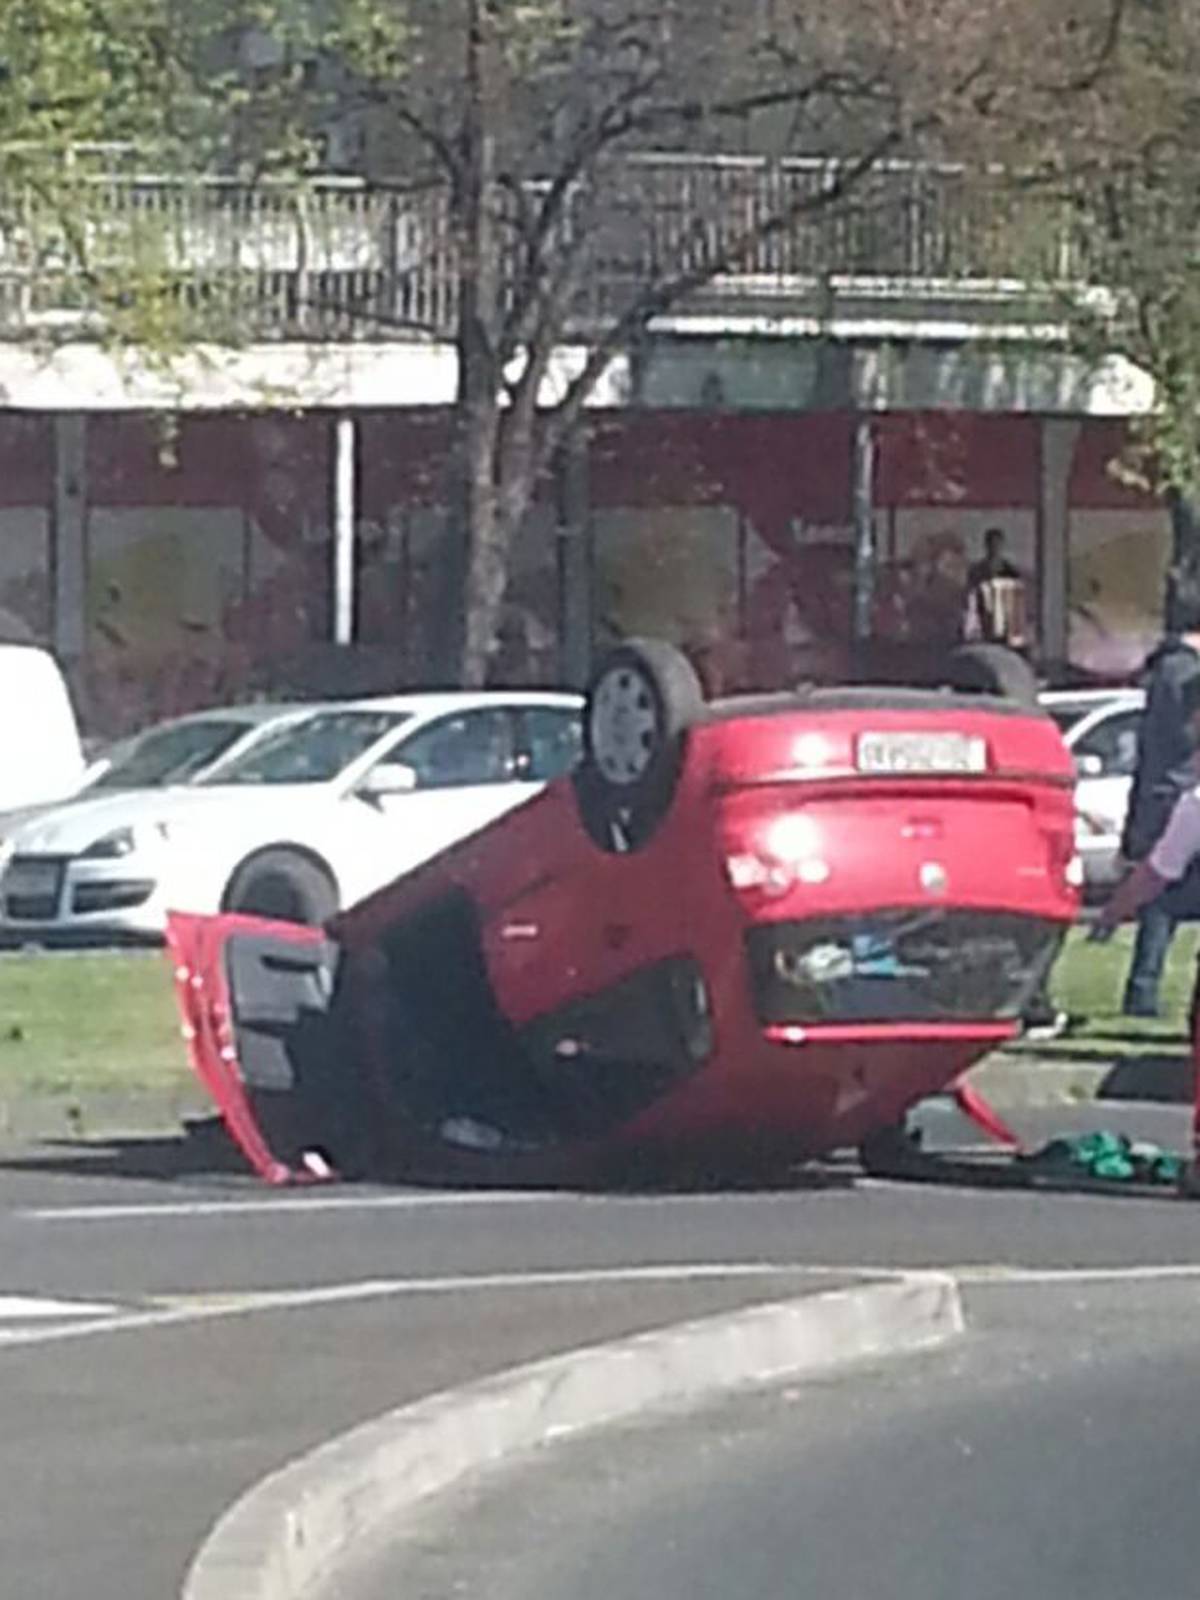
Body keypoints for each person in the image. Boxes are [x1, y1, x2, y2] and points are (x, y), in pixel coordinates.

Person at [1118, 562, 1200, 1016]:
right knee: (1163, 897)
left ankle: (1142, 988)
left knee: (1160, 896)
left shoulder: (1164, 670)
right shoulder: (1186, 675)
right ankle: (1143, 990)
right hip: (1181, 791)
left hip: (1160, 792)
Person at [962, 527, 1029, 648]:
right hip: (982, 621)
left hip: (1004, 623)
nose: (995, 547)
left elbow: (1016, 600)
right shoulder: (977, 571)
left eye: (997, 544)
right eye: (992, 544)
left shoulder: (1010, 571)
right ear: (986, 546)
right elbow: (970, 596)